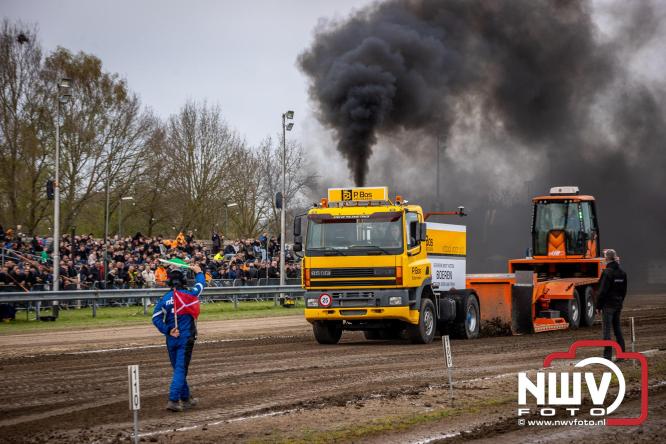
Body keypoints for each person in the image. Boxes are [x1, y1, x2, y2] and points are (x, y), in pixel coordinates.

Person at [152, 264, 205, 412]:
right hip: (185, 338)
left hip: (171, 339)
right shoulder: (189, 295)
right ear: (183, 280)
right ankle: (173, 400)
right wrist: (199, 272)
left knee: (178, 369)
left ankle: (186, 398)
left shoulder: (165, 299)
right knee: (181, 370)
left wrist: (168, 330)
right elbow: (201, 285)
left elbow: (155, 318)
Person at [596, 249, 628, 361]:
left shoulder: (607, 272)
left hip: (608, 305)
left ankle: (607, 357)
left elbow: (602, 291)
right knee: (617, 329)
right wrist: (620, 302)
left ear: (606, 259)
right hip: (618, 304)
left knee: (607, 330)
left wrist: (598, 306)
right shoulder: (622, 273)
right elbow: (624, 291)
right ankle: (622, 355)